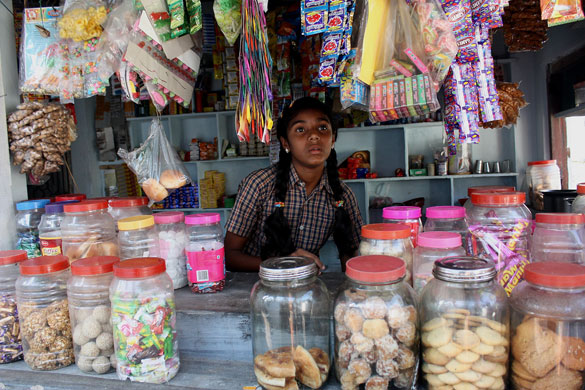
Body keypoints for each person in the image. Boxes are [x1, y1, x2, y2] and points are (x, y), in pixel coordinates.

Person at [224, 97, 364, 271]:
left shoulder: (342, 195)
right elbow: (230, 256)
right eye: (300, 129)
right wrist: (283, 264)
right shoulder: (258, 185)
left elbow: (352, 255)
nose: (314, 135)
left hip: (305, 288)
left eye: (322, 128)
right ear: (285, 143)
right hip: (255, 287)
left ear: (333, 138)